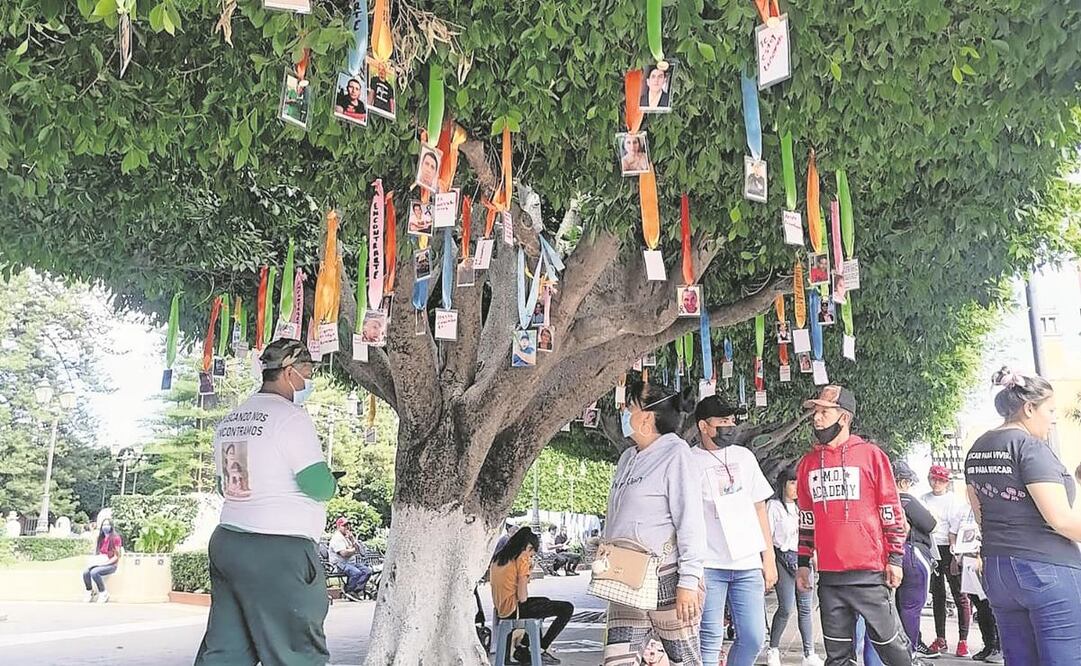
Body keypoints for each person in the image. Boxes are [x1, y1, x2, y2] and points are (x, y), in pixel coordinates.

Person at [194, 339, 337, 666]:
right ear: (288, 372)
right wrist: (332, 485)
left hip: (229, 542)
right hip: (278, 550)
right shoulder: (290, 417)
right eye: (307, 372)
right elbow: (317, 485)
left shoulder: (232, 419)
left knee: (227, 650)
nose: (309, 380)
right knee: (295, 652)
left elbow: (224, 485)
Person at [794, 385, 918, 666]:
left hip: (870, 573)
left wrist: (895, 558)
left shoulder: (872, 456)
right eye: (815, 411)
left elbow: (891, 510)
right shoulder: (807, 464)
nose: (817, 418)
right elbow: (806, 518)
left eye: (824, 411)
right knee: (837, 656)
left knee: (894, 651)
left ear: (844, 417)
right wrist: (803, 562)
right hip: (829, 576)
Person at [964, 368, 1081, 665]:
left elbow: (980, 515)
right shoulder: (1030, 447)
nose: (1053, 418)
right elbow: (1061, 520)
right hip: (1046, 570)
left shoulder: (977, 448)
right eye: (1050, 410)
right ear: (1029, 408)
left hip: (998, 571)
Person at [603, 381, 706, 665]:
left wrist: (689, 580)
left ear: (647, 417)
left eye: (630, 407)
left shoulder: (677, 454)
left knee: (684, 660)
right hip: (624, 576)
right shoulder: (627, 458)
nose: (624, 413)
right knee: (618, 660)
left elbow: (691, 521)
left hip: (668, 578)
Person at [691, 396, 777, 666]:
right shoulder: (689, 460)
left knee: (753, 637)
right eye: (723, 421)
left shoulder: (745, 457)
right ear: (704, 426)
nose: (730, 426)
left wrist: (769, 558)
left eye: (732, 421)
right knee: (708, 639)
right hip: (708, 564)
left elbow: (759, 508)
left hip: (747, 564)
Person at [766, 466, 824, 666]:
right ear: (783, 484)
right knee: (785, 606)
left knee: (806, 607)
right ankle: (773, 649)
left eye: (798, 482)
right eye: (792, 482)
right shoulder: (774, 506)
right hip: (782, 558)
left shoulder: (804, 508)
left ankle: (809, 652)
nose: (795, 487)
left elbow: (811, 535)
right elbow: (769, 538)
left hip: (803, 559)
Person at [490, 527, 573, 665]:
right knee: (566, 608)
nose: (531, 557)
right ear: (528, 547)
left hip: (502, 609)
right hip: (514, 609)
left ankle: (526, 646)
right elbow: (523, 597)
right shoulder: (522, 558)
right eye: (532, 554)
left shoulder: (499, 557)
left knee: (543, 602)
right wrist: (527, 572)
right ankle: (540, 648)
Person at [919, 464, 972, 657]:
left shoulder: (953, 501)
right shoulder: (923, 499)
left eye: (941, 480)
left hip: (950, 548)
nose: (937, 483)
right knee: (938, 595)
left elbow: (955, 529)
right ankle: (940, 638)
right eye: (934, 479)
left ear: (947, 482)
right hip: (931, 547)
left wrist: (956, 553)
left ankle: (963, 640)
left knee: (960, 594)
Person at [892, 462, 938, 658]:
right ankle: (909, 653)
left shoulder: (880, 501)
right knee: (912, 606)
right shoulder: (906, 499)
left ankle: (899, 652)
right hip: (913, 554)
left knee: (898, 605)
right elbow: (930, 524)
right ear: (902, 481)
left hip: (892, 556)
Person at [947, 507, 1003, 663]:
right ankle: (988, 645)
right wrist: (955, 553)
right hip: (967, 562)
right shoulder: (963, 511)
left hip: (987, 559)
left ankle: (999, 647)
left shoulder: (993, 509)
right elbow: (953, 534)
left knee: (993, 605)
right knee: (980, 606)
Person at [328, 517, 373, 602]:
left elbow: (360, 551)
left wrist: (352, 539)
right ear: (338, 527)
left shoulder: (348, 537)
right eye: (344, 525)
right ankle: (349, 590)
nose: (347, 527)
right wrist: (353, 550)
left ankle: (355, 591)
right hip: (339, 564)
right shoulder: (337, 538)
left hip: (351, 563)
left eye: (348, 525)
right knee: (356, 573)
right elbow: (344, 553)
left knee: (367, 571)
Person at [82, 518, 122, 604]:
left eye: (107, 525)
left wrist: (105, 564)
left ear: (111, 526)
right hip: (101, 562)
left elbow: (117, 556)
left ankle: (103, 592)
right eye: (104, 525)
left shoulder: (116, 538)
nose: (105, 527)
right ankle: (90, 591)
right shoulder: (101, 538)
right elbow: (98, 553)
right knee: (86, 572)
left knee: (94, 572)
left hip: (111, 565)